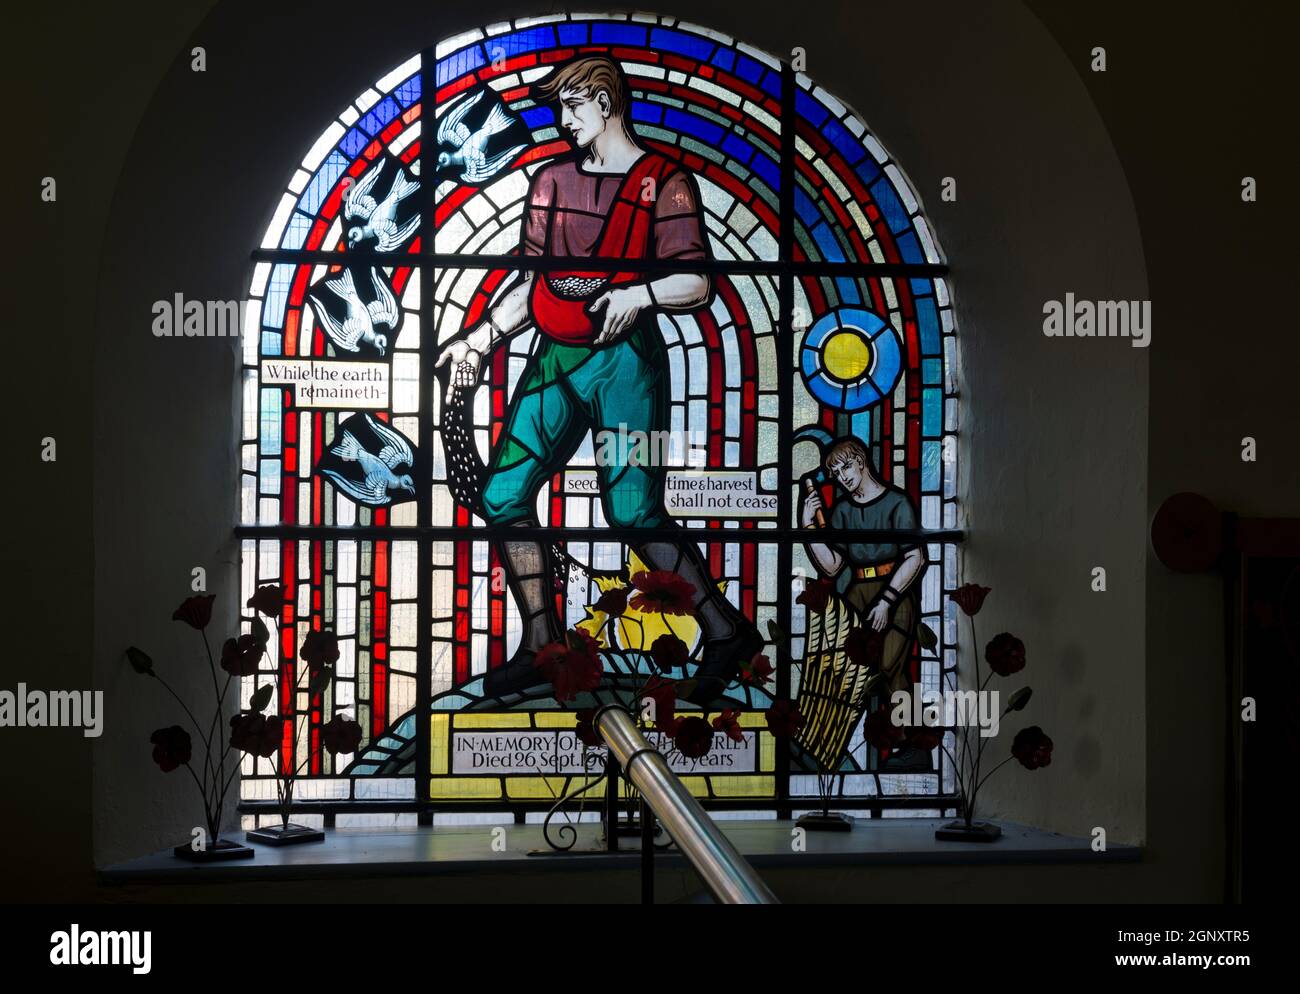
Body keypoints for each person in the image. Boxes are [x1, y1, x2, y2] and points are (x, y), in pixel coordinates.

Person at [435, 55, 760, 701]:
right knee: (503, 495)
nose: (563, 121)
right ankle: (543, 645)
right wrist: (479, 337)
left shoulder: (664, 182)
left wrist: (639, 294)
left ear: (605, 101)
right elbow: (531, 285)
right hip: (554, 357)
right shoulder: (551, 181)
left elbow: (695, 281)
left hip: (626, 365)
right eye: (560, 108)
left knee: (633, 511)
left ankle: (726, 633)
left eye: (572, 107)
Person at [801, 436, 926, 695]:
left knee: (888, 667)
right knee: (852, 674)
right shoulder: (843, 510)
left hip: (896, 594)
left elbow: (916, 557)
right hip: (856, 596)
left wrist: (886, 602)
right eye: (835, 473)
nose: (842, 477)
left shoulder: (897, 502)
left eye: (845, 467)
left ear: (861, 461)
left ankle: (903, 732)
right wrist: (807, 525)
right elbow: (833, 566)